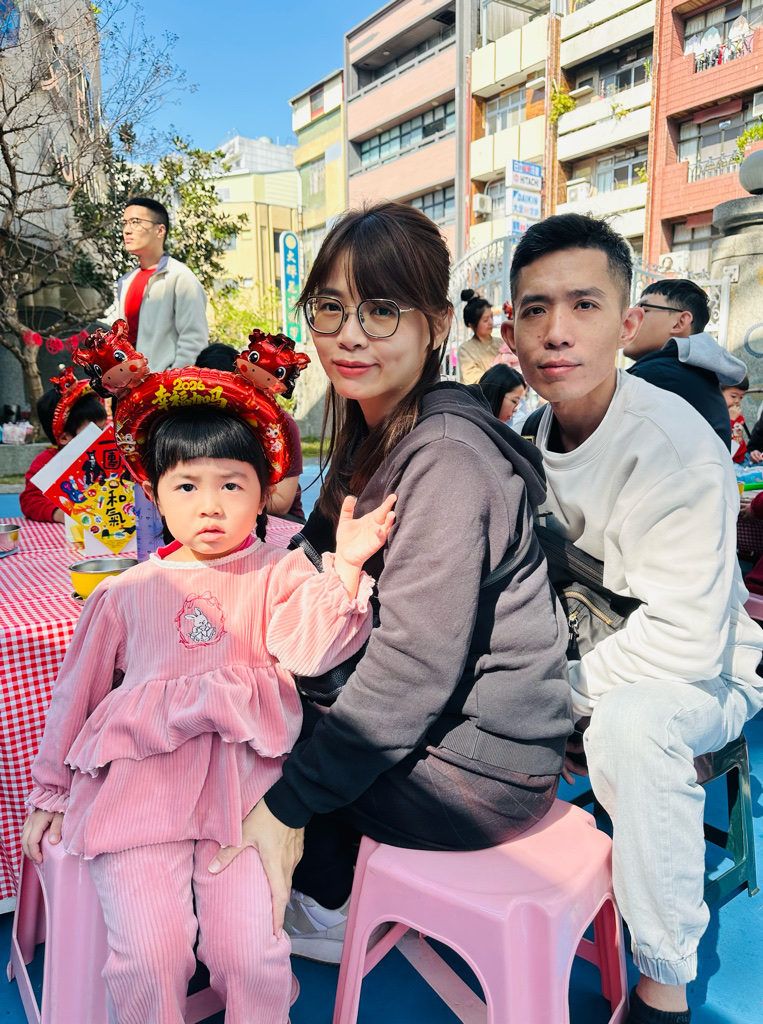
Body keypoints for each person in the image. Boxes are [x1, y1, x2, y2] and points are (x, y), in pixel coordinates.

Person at [207, 201, 573, 965]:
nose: (349, 334)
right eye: (330, 308)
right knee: (225, 686)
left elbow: (411, 673)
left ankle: (325, 899)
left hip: (480, 771)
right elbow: (311, 551)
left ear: (435, 325)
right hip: (446, 733)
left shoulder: (446, 460)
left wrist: (286, 805)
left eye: (380, 310)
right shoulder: (375, 431)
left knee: (235, 741)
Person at [22, 392, 393, 1024]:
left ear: (264, 494)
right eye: (187, 486)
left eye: (232, 484)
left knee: (250, 954)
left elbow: (309, 650)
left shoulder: (280, 573)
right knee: (151, 955)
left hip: (246, 799)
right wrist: (52, 790)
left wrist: (348, 568)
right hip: (141, 797)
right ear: (155, 495)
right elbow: (75, 696)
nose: (210, 505)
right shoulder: (124, 592)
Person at [501, 212, 763, 1024]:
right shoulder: (526, 433)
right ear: (510, 332)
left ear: (627, 324)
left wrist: (552, 697)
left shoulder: (673, 447)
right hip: (580, 651)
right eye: (536, 309)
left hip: (702, 673)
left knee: (633, 726)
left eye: (584, 305)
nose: (557, 331)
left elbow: (685, 640)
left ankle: (663, 983)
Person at [622, 279, 745, 449]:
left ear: (680, 322)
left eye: (644, 309)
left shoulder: (656, 375)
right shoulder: (691, 374)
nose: (628, 318)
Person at [195, 343, 306, 523]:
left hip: (278, 519)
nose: (220, 402)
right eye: (210, 394)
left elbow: (281, 502)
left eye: (228, 391)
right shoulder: (192, 422)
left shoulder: (277, 425)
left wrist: (227, 496)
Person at [117, 197, 209, 371]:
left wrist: (170, 381)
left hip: (164, 384)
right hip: (128, 383)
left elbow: (194, 340)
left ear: (160, 231)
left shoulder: (180, 277)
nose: (127, 230)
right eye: (125, 223)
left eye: (135, 222)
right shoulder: (126, 281)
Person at [20, 380, 106, 523]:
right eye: (93, 431)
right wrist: (59, 514)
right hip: (67, 530)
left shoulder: (104, 456)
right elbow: (30, 501)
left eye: (103, 429)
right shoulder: (47, 463)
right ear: (64, 437)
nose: (102, 437)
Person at [457, 288, 502, 384]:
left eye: (491, 317)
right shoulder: (465, 350)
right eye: (485, 320)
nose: (490, 322)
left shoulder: (501, 343)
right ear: (472, 325)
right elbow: (475, 380)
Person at [722, 376, 750, 463]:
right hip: (730, 461)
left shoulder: (737, 414)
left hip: (743, 457)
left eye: (741, 397)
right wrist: (731, 420)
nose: (737, 401)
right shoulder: (718, 413)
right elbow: (723, 436)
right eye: (733, 396)